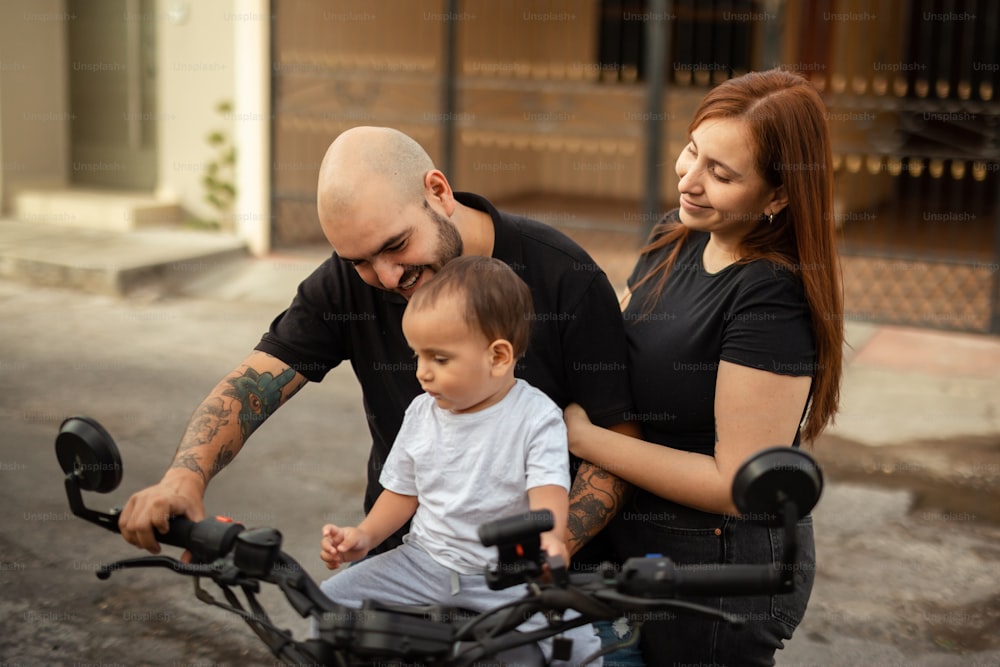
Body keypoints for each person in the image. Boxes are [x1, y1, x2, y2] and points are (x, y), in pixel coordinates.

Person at [117, 126, 636, 575]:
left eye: (395, 245)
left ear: (437, 191)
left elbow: (618, 441)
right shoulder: (349, 282)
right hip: (404, 562)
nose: (387, 278)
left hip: (539, 584)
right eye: (361, 261)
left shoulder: (564, 276)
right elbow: (256, 382)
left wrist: (543, 560)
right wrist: (184, 478)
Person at [564, 68, 844, 665]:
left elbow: (734, 486)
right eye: (692, 151)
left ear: (778, 196)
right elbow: (614, 343)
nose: (690, 180)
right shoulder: (676, 235)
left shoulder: (770, 296)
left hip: (717, 571)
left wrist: (584, 436)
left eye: (720, 174)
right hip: (635, 551)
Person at [317, 255, 600, 666]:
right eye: (417, 355)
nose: (421, 373)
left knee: (580, 645)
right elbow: (402, 491)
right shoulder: (421, 412)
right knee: (325, 601)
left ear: (499, 357)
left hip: (506, 575)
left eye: (439, 359)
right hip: (423, 562)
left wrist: (551, 541)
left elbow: (547, 491)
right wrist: (363, 537)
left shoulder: (536, 416)